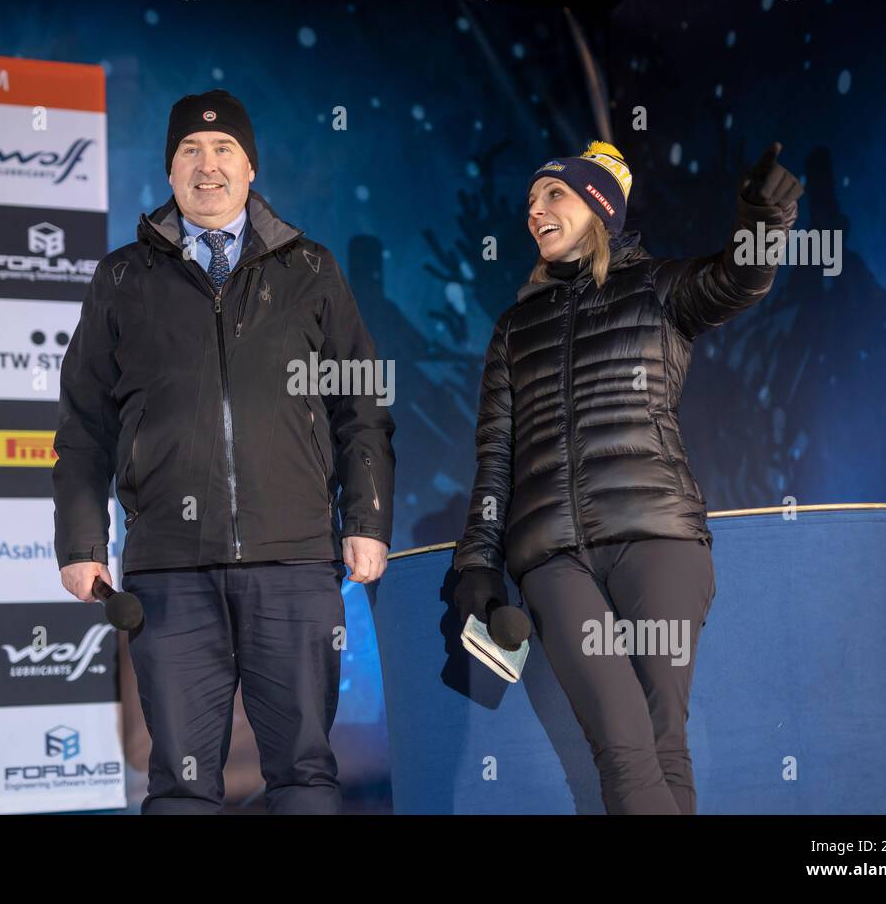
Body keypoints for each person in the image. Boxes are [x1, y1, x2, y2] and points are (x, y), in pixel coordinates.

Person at [53, 89, 395, 814]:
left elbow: (360, 405)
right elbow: (84, 423)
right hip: (169, 570)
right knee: (178, 783)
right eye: (189, 151)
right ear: (171, 171)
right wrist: (83, 541)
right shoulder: (121, 278)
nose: (207, 166)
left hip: (295, 561)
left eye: (223, 151)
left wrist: (365, 518)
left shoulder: (311, 269)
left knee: (304, 773)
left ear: (250, 168)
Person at [452, 139, 802, 814]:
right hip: (552, 559)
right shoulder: (513, 328)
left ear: (598, 207)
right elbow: (494, 457)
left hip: (657, 536)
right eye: (530, 200)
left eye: (553, 194)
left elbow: (740, 279)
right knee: (623, 746)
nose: (535, 210)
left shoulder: (660, 287)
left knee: (663, 743)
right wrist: (476, 566)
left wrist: (762, 219)